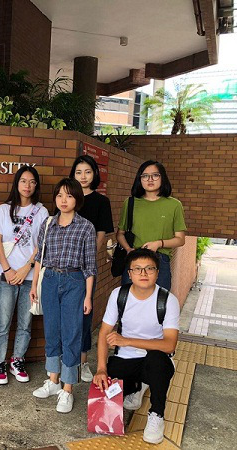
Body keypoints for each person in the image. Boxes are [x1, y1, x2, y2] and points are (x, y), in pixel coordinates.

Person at [93, 248, 180, 445]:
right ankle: (137, 387)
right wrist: (101, 369)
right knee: (110, 378)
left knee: (157, 361)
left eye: (149, 268)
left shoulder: (167, 300)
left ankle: (156, 414)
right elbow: (104, 333)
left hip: (154, 360)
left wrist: (127, 341)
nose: (143, 273)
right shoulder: (119, 295)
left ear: (157, 273)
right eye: (137, 269)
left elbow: (169, 344)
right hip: (126, 359)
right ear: (129, 273)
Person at [30, 178, 96, 413]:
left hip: (74, 281)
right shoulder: (48, 224)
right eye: (59, 195)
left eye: (69, 195)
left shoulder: (86, 227)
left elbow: (90, 266)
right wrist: (34, 285)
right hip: (49, 280)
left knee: (71, 334)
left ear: (77, 199)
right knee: (52, 331)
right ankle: (53, 380)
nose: (63, 200)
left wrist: (88, 296)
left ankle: (67, 389)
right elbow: (39, 257)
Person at [0, 166, 49, 385]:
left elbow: (42, 243)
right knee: (3, 322)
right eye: (23, 181)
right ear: (17, 183)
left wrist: (26, 268)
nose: (27, 186)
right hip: (5, 275)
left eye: (32, 182)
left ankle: (17, 360)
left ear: (36, 185)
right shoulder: (4, 209)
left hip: (30, 276)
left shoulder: (41, 212)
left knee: (25, 322)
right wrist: (7, 269)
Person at [70, 155, 114, 383]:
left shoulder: (101, 202)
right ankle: (66, 359)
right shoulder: (67, 197)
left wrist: (87, 257)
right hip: (65, 267)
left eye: (87, 171)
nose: (83, 176)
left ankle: (83, 361)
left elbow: (101, 234)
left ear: (94, 174)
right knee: (67, 315)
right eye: (78, 172)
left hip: (86, 267)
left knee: (84, 314)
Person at [116, 160, 186, 291]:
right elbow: (120, 234)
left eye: (155, 175)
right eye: (145, 176)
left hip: (160, 261)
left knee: (159, 301)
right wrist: (128, 249)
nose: (150, 179)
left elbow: (180, 239)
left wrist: (158, 243)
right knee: (129, 300)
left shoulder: (174, 205)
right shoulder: (130, 203)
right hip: (135, 259)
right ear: (139, 179)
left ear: (162, 177)